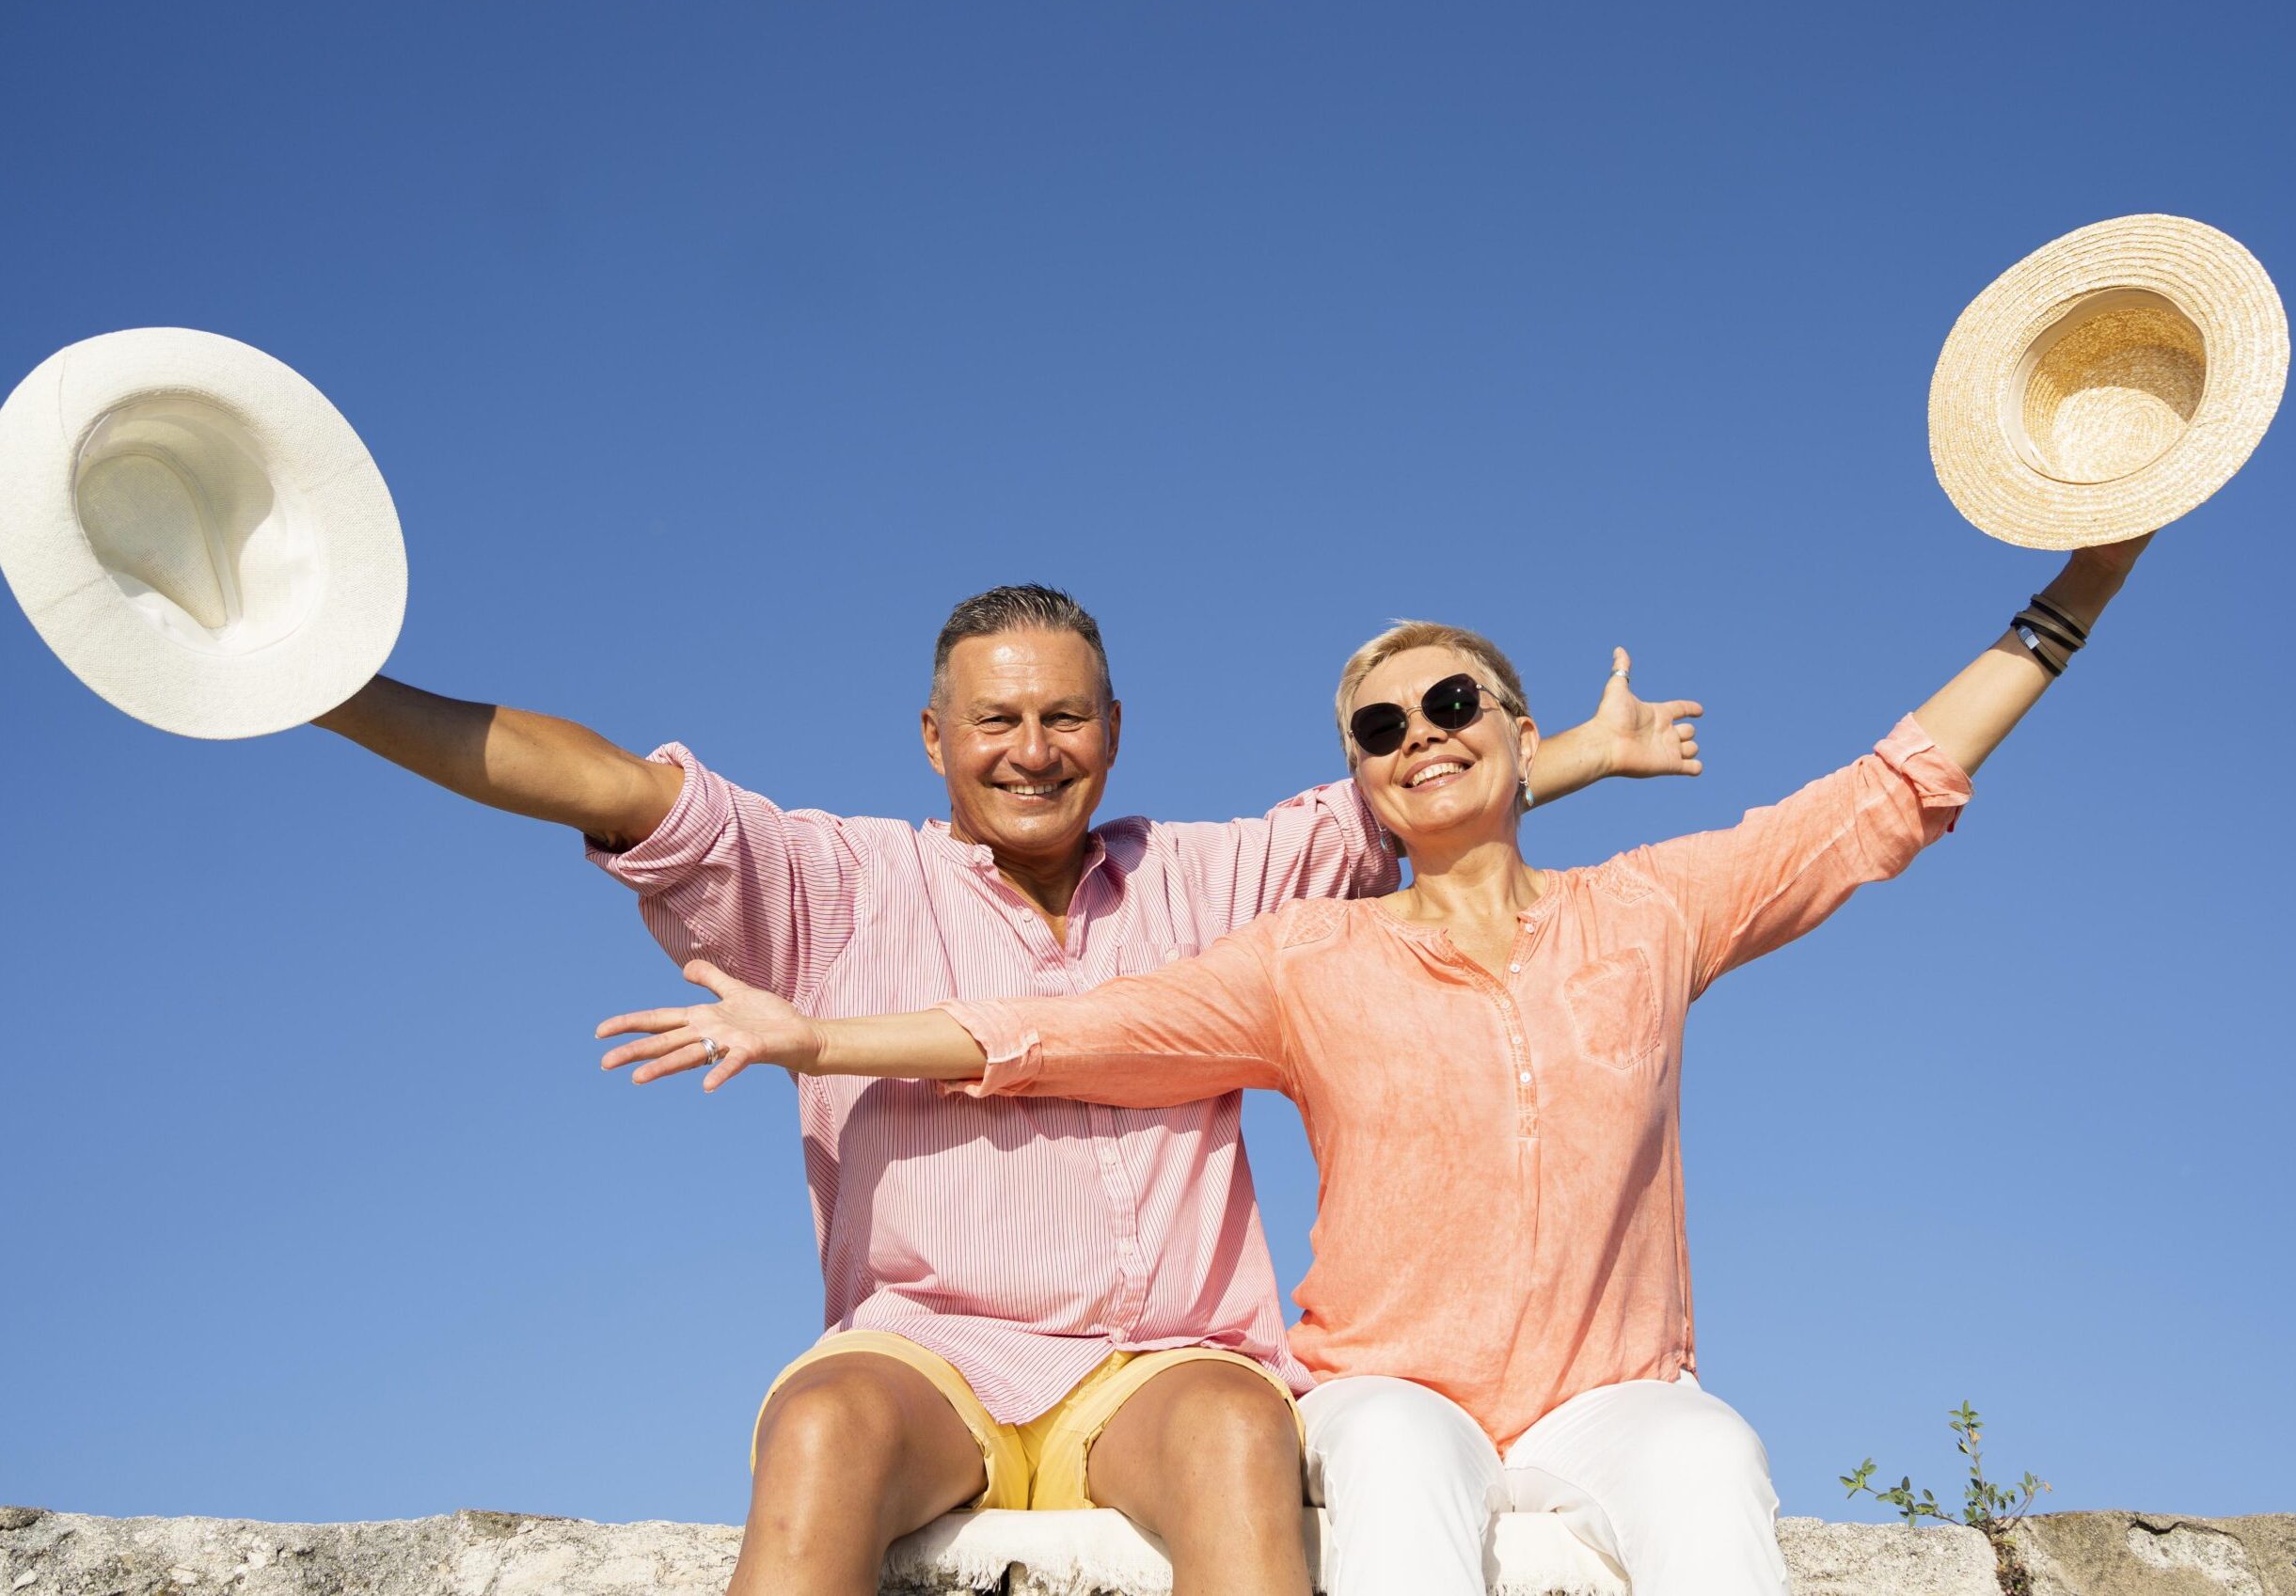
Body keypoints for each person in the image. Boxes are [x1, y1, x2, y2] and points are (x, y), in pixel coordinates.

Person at [595, 544, 2144, 1596]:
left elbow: (1879, 799)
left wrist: (2074, 592)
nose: (1420, 733)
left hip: (1613, 1397)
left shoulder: (1651, 916)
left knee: (1715, 1463)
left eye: (1453, 704)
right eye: (1380, 724)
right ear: (1359, 776)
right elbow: (1053, 1036)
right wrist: (816, 1038)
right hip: (1389, 1389)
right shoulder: (1304, 962)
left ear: (1517, 733)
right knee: (1393, 1467)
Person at [315, 583, 1703, 1596]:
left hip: (1159, 1368)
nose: (1028, 750)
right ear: (934, 737)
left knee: (1237, 1433)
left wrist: (1573, 751)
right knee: (819, 1422)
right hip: (928, 1354)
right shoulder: (832, 882)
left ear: (1111, 728)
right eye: (994, 721)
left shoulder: (1217, 880)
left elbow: (1419, 794)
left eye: (1061, 718)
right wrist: (320, 685)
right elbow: (605, 784)